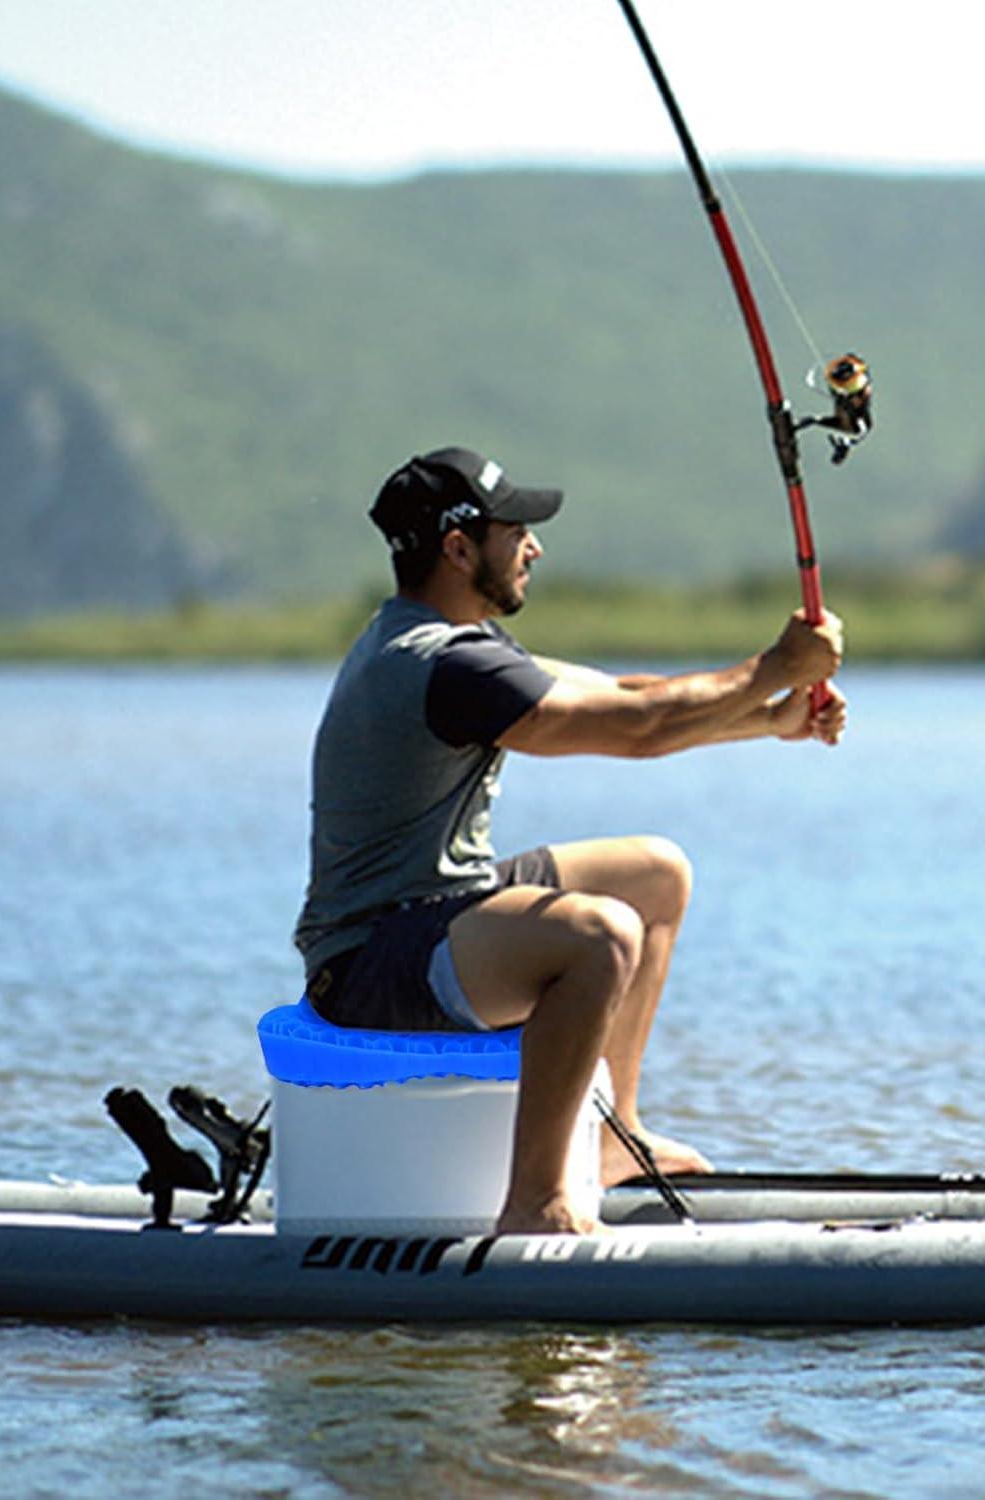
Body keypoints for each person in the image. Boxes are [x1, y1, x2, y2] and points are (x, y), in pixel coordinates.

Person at [294, 446, 845, 1235]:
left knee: (653, 875)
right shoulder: (440, 664)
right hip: (366, 960)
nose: (535, 546)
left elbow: (628, 693)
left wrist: (769, 715)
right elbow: (639, 734)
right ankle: (537, 1203)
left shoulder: (453, 640)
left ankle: (613, 1135)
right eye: (516, 530)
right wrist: (773, 666)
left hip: (435, 908)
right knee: (599, 935)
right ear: (457, 548)